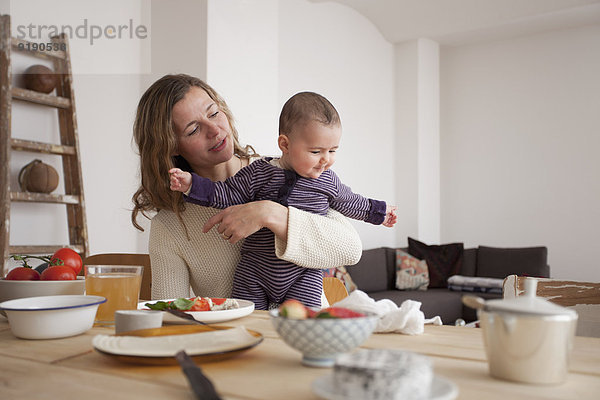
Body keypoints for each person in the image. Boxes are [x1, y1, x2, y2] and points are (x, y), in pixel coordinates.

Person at [131, 74, 363, 302]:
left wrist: (269, 213)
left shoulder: (278, 171)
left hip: (307, 334)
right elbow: (172, 317)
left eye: (214, 113)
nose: (215, 130)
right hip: (239, 338)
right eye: (193, 130)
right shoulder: (170, 225)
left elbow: (350, 249)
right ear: (171, 147)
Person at [169, 91, 397, 309]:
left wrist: (381, 213)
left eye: (333, 151)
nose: (325, 160)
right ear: (285, 145)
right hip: (255, 270)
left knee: (299, 324)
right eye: (316, 152)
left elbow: (352, 202)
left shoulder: (328, 181)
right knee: (248, 320)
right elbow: (225, 193)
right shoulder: (258, 172)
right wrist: (191, 185)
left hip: (303, 274)